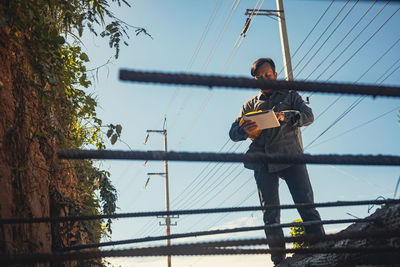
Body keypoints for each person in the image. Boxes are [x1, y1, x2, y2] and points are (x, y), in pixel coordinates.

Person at [229, 58, 325, 265]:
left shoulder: (291, 96)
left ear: (274, 74)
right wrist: (243, 131)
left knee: (306, 205)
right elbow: (232, 133)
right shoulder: (249, 105)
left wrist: (285, 116)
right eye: (259, 77)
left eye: (267, 74)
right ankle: (279, 260)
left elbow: (308, 116)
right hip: (262, 162)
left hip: (291, 156)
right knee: (270, 214)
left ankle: (322, 251)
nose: (264, 79)